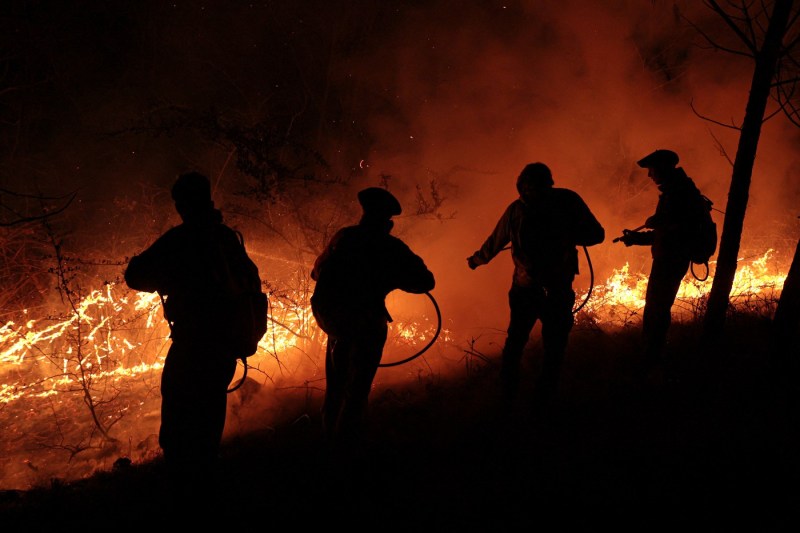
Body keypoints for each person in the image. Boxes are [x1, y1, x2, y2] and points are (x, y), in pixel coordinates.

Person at [124, 171, 264, 485]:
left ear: (184, 204)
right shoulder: (228, 238)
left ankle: (182, 487)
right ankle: (205, 480)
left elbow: (135, 275)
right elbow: (252, 282)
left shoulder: (182, 239)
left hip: (193, 344)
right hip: (225, 344)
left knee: (177, 413)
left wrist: (169, 279)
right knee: (210, 413)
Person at [467, 162, 605, 407]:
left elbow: (596, 234)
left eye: (537, 187)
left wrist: (566, 233)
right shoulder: (520, 209)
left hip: (549, 288)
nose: (532, 193)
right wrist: (478, 260)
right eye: (528, 188)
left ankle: (536, 396)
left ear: (547, 185)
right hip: (531, 288)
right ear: (522, 188)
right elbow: (495, 241)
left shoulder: (561, 202)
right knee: (523, 341)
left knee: (545, 344)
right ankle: (512, 393)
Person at [310, 187, 435, 456]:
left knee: (335, 389)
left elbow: (316, 272)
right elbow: (425, 281)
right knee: (356, 393)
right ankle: (346, 453)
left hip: (337, 326)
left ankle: (326, 448)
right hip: (367, 325)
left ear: (364, 213)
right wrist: (394, 276)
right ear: (388, 220)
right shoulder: (390, 247)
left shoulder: (344, 236)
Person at [617, 149, 709, 364]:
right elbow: (665, 233)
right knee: (657, 306)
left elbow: (679, 230)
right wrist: (638, 238)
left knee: (657, 308)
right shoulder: (676, 190)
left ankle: (651, 356)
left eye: (652, 169)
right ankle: (652, 352)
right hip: (669, 256)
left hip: (671, 259)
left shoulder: (680, 192)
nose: (649, 175)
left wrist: (660, 222)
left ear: (663, 168)